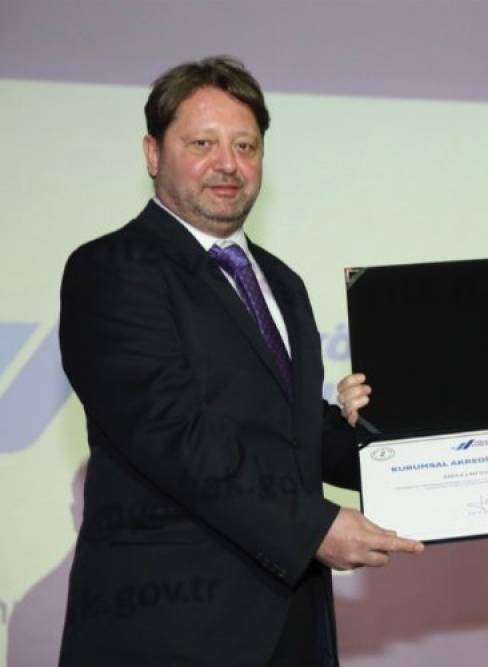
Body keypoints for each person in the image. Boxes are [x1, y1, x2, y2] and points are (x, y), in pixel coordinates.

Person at [58, 55, 422, 666]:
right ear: (152, 154)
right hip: (170, 630)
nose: (228, 163)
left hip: (295, 626)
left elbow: (292, 433)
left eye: (245, 146)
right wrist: (312, 528)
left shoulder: (281, 281)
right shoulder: (113, 269)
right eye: (202, 143)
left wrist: (394, 441)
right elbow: (171, 435)